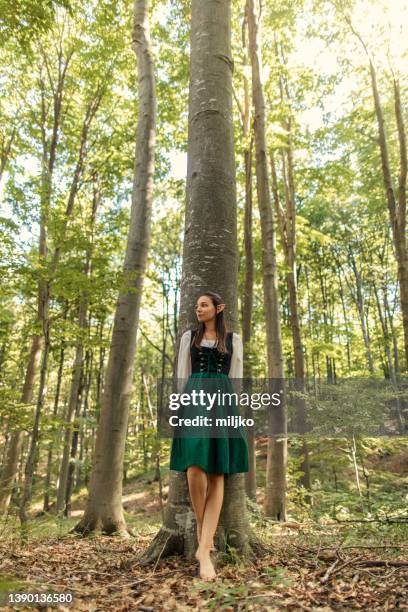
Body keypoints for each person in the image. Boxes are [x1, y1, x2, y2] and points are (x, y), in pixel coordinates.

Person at [169, 291, 249, 580]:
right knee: (194, 470)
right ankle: (205, 535)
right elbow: (182, 375)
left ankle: (203, 551)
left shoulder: (233, 340)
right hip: (194, 400)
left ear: (219, 308)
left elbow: (236, 379)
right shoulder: (188, 338)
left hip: (223, 402)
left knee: (217, 474)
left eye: (204, 305)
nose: (198, 309)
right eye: (197, 305)